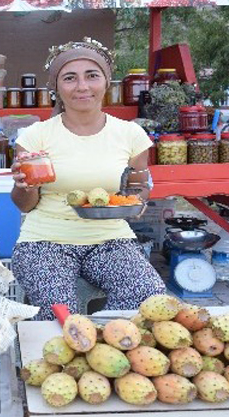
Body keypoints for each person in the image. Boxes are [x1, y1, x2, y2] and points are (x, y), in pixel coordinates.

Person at [10, 37, 166, 320]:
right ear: (56, 88)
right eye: (70, 78)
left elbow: (139, 188)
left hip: (110, 238)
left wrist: (139, 200)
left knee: (149, 297)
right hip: (44, 240)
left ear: (106, 82)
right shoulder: (36, 135)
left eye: (91, 76)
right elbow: (24, 205)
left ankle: (107, 350)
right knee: (58, 311)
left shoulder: (131, 135)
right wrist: (25, 185)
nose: (82, 87)